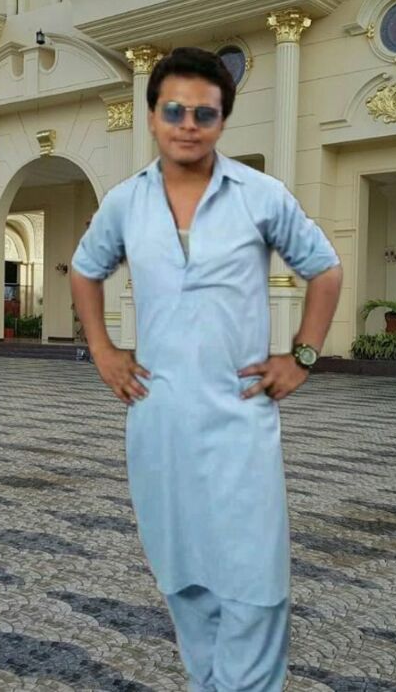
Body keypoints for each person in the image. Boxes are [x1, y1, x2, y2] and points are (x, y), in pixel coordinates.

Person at [71, 47, 342, 692]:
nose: (187, 125)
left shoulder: (259, 195)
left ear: (222, 120)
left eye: (204, 113)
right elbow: (85, 270)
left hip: (239, 413)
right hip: (159, 414)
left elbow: (324, 269)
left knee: (253, 572)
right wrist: (104, 351)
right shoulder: (126, 204)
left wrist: (302, 355)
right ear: (152, 117)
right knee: (181, 568)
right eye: (174, 111)